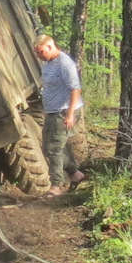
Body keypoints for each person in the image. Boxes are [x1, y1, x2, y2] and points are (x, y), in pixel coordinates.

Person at [33, 33, 85, 194]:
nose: (39, 55)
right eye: (37, 52)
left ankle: (56, 185)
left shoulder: (64, 63)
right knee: (50, 147)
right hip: (53, 111)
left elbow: (75, 88)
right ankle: (76, 174)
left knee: (54, 148)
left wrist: (69, 114)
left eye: (40, 52)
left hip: (64, 111)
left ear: (50, 46)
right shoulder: (49, 63)